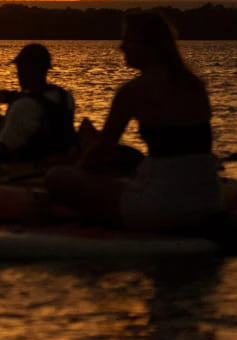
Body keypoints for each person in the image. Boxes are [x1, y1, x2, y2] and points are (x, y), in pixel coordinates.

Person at [46, 13, 226, 232]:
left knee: (56, 177)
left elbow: (101, 152)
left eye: (129, 40)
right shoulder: (195, 85)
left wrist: (78, 176)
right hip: (208, 200)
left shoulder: (133, 91)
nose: (121, 47)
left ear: (150, 45)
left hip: (162, 208)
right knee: (126, 181)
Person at [0, 43, 78, 165]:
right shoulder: (66, 97)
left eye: (19, 69)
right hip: (61, 160)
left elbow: (4, 149)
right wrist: (13, 97)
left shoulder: (23, 106)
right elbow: (43, 100)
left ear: (26, 71)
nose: (17, 74)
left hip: (28, 168)